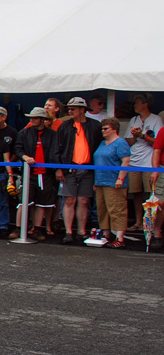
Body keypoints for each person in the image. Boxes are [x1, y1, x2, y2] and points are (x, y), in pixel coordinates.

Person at [55, 96, 103, 244]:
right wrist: (58, 168)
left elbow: (100, 147)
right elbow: (57, 148)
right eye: (69, 108)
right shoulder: (64, 126)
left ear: (83, 110)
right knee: (69, 199)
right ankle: (69, 231)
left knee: (83, 200)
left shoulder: (95, 125)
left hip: (88, 168)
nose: (70, 111)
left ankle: (82, 231)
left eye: (73, 108)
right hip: (69, 167)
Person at [13, 107, 59, 241]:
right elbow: (18, 149)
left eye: (35, 118)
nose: (32, 120)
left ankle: (37, 229)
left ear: (43, 120)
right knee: (23, 202)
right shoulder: (24, 133)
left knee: (43, 204)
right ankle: (18, 228)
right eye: (31, 118)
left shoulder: (52, 134)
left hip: (46, 174)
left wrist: (55, 169)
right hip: (29, 173)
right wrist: (25, 157)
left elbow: (55, 152)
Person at [90, 117, 132, 248]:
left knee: (117, 209)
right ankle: (106, 234)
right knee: (102, 209)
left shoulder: (121, 142)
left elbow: (125, 161)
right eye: (102, 128)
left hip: (114, 181)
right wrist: (96, 181)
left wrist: (120, 178)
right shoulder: (102, 143)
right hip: (101, 180)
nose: (103, 131)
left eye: (106, 128)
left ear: (114, 129)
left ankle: (120, 237)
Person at [124, 94, 161, 230]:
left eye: (137, 103)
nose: (134, 105)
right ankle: (138, 222)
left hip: (149, 162)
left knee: (150, 193)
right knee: (136, 193)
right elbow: (127, 141)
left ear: (145, 104)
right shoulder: (133, 120)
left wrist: (143, 136)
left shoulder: (156, 119)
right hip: (134, 161)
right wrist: (134, 136)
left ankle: (150, 223)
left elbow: (158, 142)